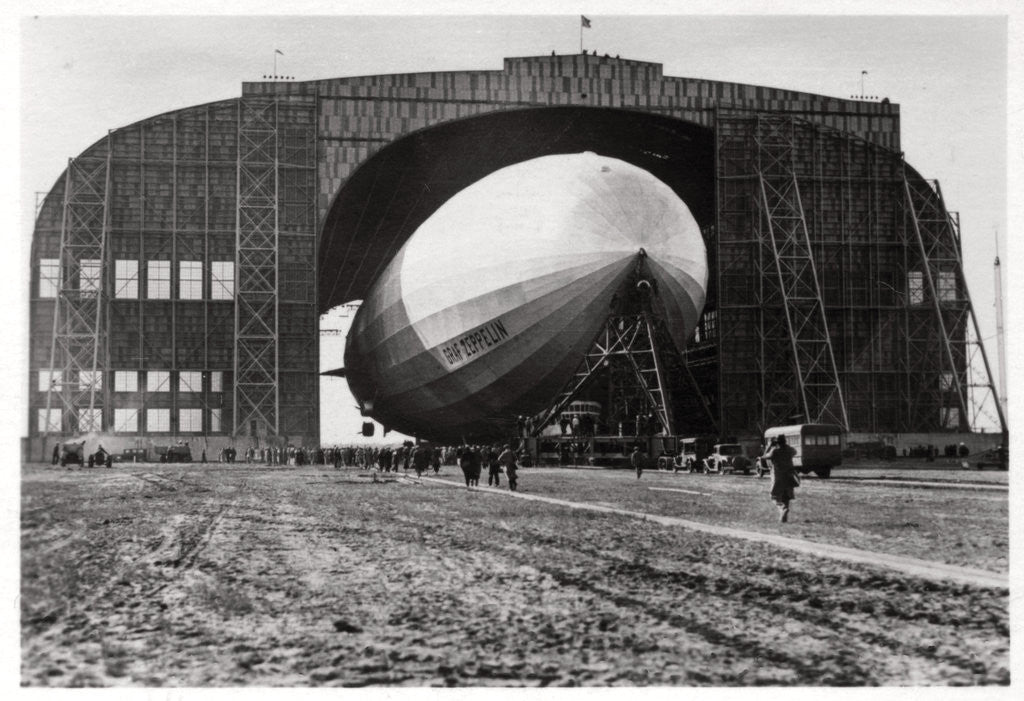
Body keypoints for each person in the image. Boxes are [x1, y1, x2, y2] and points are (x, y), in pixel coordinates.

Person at [769, 435, 799, 523]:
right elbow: (795, 451)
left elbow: (765, 456)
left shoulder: (775, 451)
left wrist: (770, 446)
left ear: (777, 442)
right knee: (787, 497)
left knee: (774, 496)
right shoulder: (790, 450)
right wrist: (786, 445)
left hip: (778, 477)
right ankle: (783, 518)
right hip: (789, 476)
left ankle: (782, 509)